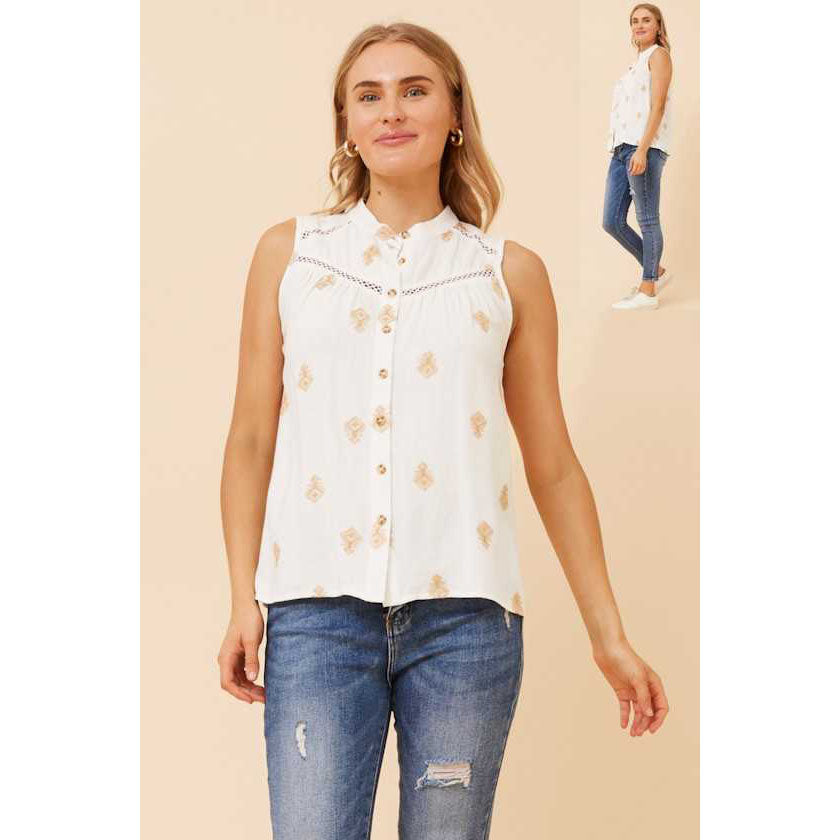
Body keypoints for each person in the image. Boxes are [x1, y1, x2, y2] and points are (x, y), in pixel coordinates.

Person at [218, 21, 669, 839]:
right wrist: (241, 596)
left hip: (466, 621)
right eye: (369, 95)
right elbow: (251, 436)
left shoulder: (507, 274)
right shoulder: (292, 256)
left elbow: (553, 465)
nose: (391, 110)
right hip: (315, 613)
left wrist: (608, 635)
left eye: (415, 90)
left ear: (454, 112)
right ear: (347, 124)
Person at [603, 4, 675, 310]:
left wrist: (643, 149)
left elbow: (658, 105)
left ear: (658, 26)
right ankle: (655, 269)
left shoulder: (659, 55)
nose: (639, 25)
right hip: (621, 149)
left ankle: (648, 290)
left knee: (647, 218)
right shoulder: (636, 64)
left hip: (642, 146)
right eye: (634, 21)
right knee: (611, 222)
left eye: (646, 20)